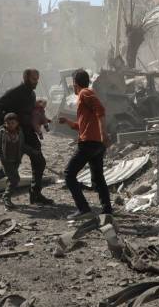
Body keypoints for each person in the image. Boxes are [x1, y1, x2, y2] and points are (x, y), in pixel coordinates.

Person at [0, 68, 53, 205]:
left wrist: (41, 120)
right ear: (25, 78)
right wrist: (6, 126)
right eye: (33, 79)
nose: (36, 81)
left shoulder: (32, 95)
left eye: (37, 79)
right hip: (16, 135)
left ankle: (35, 194)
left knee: (39, 161)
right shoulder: (15, 92)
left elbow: (31, 113)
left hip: (28, 134)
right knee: (11, 166)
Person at [59, 69, 112, 220]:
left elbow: (100, 110)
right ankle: (107, 210)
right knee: (98, 178)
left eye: (73, 85)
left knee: (69, 175)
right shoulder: (85, 96)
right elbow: (83, 126)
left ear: (75, 83)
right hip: (96, 145)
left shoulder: (84, 93)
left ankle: (84, 209)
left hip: (89, 143)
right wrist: (68, 122)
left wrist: (103, 134)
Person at [0, 113, 41, 209]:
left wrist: (32, 151)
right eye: (8, 123)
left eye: (13, 123)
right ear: (5, 123)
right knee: (15, 179)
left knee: (2, 174)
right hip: (6, 160)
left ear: (17, 123)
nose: (11, 125)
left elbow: (22, 146)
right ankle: (6, 197)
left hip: (16, 160)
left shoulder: (20, 133)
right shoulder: (1, 133)